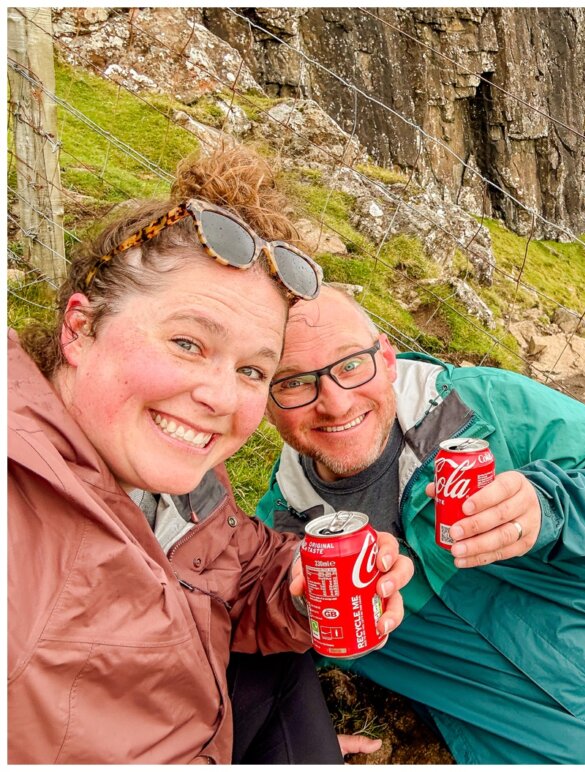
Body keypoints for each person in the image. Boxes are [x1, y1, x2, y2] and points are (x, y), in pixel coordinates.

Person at [256, 284, 585, 764]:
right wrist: (290, 739)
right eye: (296, 383)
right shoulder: (281, 532)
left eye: (351, 365)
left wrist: (548, 507)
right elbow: (241, 648)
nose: (336, 402)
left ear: (387, 357)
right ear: (265, 401)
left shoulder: (482, 405)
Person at [7, 147, 412, 764]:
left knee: (280, 668)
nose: (221, 397)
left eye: (252, 369)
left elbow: (230, 565)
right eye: (188, 342)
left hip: (202, 711)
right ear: (79, 329)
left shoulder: (162, 465)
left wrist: (299, 587)